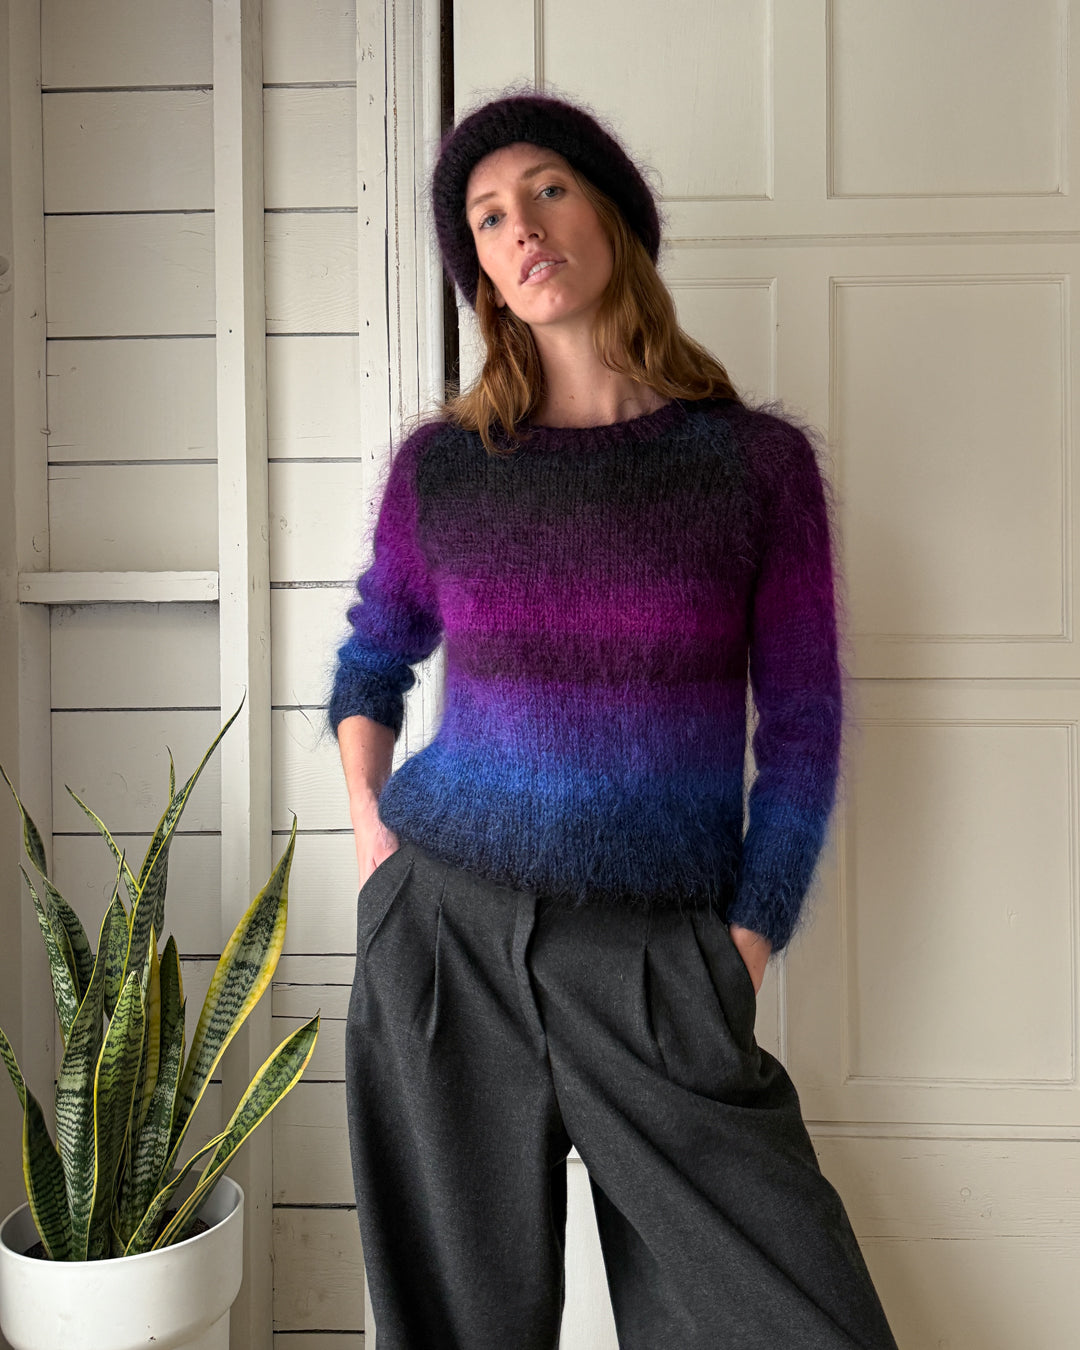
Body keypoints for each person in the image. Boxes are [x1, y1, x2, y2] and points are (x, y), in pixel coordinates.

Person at [329, 87, 899, 1350]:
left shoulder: (754, 468)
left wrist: (745, 945)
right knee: (456, 1327)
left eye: (547, 190)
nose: (523, 228)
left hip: (659, 966)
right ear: (479, 270)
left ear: (613, 216)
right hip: (445, 940)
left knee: (798, 1323)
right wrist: (372, 832)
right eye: (488, 217)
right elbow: (372, 663)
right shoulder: (444, 470)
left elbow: (803, 731)